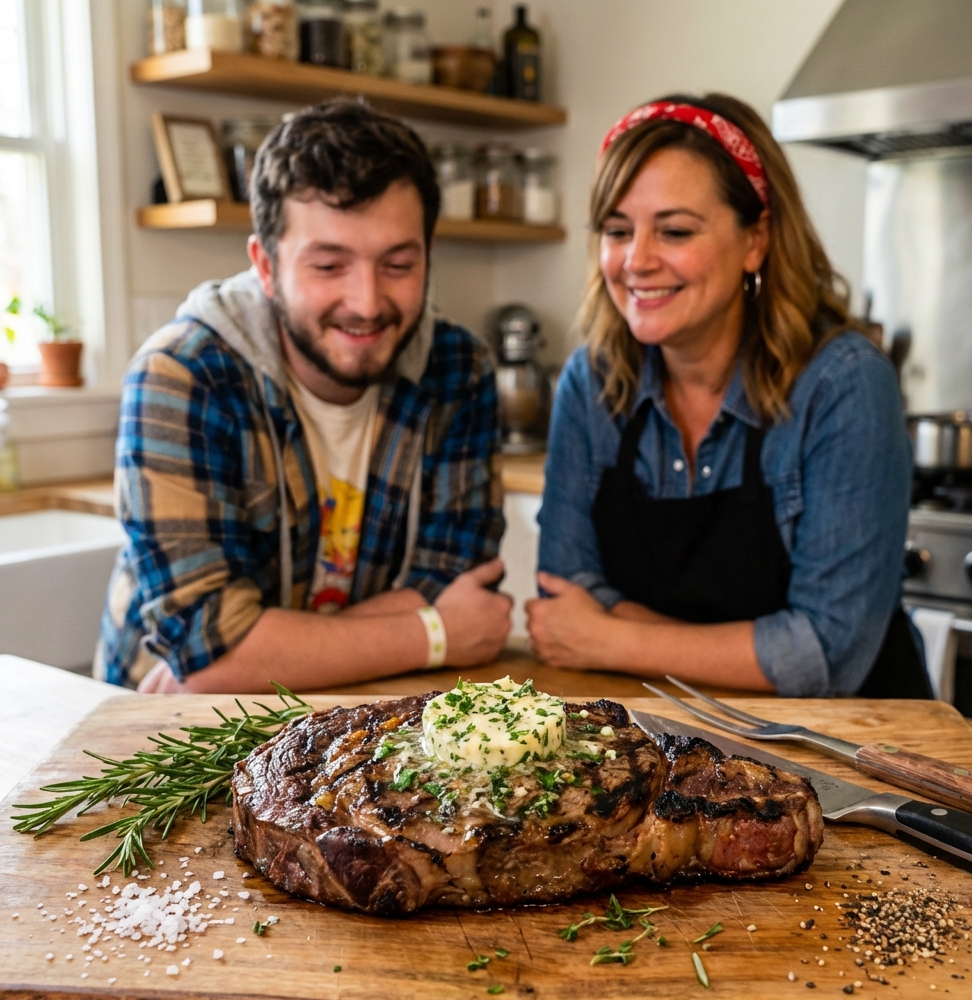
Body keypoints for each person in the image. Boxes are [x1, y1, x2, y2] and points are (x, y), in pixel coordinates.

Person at [96, 101, 511, 693]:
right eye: (328, 265)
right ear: (265, 266)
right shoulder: (182, 375)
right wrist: (433, 634)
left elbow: (454, 580)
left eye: (398, 263)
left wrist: (256, 655)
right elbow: (211, 655)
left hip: (362, 714)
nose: (367, 302)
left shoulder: (459, 369)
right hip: (162, 738)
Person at [527, 93, 929, 698]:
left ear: (755, 240)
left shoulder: (843, 382)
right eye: (617, 230)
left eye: (676, 230)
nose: (636, 261)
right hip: (676, 740)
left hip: (854, 750)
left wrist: (610, 638)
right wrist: (750, 651)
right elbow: (564, 593)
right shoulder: (591, 381)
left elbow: (827, 653)